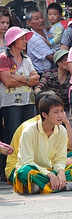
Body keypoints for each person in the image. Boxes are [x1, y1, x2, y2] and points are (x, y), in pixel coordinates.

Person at [13, 92, 72, 194]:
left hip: (50, 169)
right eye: (56, 112)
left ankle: (43, 186)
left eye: (62, 111)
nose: (61, 115)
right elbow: (27, 162)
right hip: (34, 170)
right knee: (24, 172)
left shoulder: (61, 130)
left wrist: (61, 172)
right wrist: (50, 175)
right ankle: (63, 186)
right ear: (45, 114)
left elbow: (60, 159)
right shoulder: (29, 131)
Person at [0, 27, 39, 175]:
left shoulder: (27, 59)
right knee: (12, 135)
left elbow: (35, 79)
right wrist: (26, 80)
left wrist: (17, 77)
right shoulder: (3, 58)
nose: (25, 41)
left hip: (28, 101)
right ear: (13, 41)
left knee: (27, 134)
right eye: (22, 39)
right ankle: (8, 169)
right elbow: (7, 81)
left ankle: (25, 165)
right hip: (10, 103)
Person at [35, 49, 72, 113]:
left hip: (65, 110)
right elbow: (37, 88)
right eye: (66, 60)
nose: (69, 62)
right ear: (58, 63)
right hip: (49, 109)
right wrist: (47, 96)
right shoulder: (48, 74)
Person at [25, 10, 55, 75]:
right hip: (42, 75)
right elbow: (51, 57)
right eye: (37, 19)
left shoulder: (46, 31)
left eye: (42, 17)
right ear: (29, 23)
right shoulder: (33, 38)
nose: (41, 20)